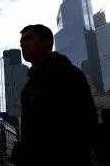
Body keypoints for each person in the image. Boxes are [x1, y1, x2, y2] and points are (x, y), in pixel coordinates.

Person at [11, 24, 98, 166]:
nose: (22, 44)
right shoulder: (28, 87)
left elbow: (88, 121)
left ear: (46, 42)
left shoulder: (68, 74)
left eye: (28, 39)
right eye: (21, 42)